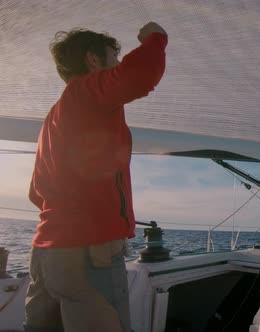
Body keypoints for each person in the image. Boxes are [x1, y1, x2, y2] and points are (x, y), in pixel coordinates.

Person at [24, 22, 168, 332]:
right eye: (113, 57)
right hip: (87, 252)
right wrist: (154, 40)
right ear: (93, 60)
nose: (117, 64)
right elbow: (137, 76)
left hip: (46, 255)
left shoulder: (55, 116)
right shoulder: (83, 93)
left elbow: (37, 193)